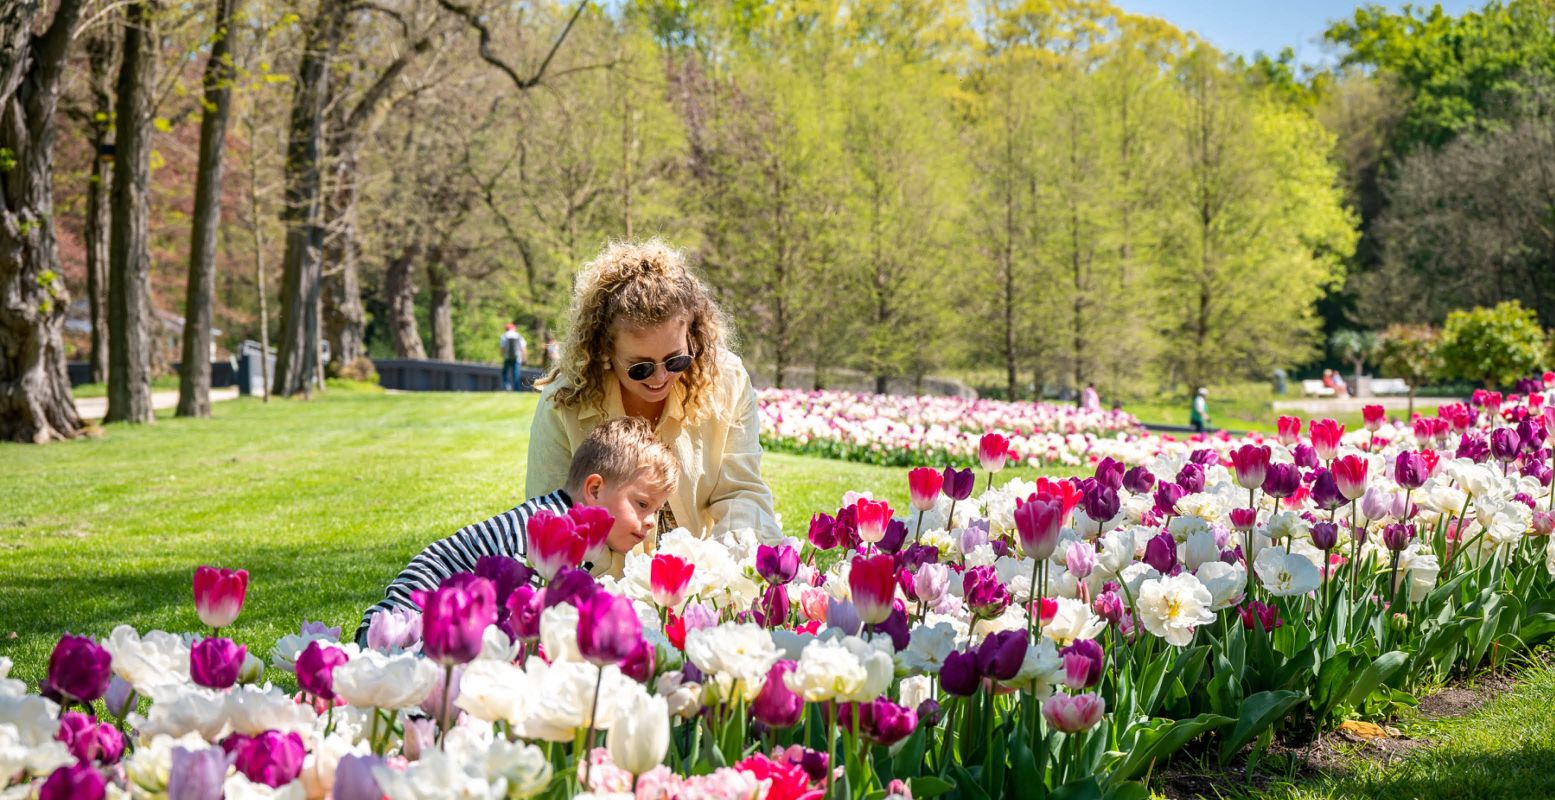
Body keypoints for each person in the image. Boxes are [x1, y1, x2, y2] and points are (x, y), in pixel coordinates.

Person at [528, 239, 781, 543]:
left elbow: (742, 493)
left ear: (693, 337)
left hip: (701, 572)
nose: (660, 377)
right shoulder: (563, 402)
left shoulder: (727, 379)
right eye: (641, 367)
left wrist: (727, 570)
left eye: (676, 360)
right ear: (605, 350)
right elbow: (552, 521)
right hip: (602, 578)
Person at [356, 416, 677, 643]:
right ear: (594, 490)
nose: (650, 521)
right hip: (405, 622)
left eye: (657, 511)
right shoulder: (544, 527)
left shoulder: (567, 528)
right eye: (642, 504)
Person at [500, 323, 527, 391]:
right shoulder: (518, 335)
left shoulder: (504, 336)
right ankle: (517, 389)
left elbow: (502, 348)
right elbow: (523, 348)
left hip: (507, 357)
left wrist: (503, 355)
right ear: (514, 328)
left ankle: (507, 386)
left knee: (504, 373)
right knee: (516, 375)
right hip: (517, 358)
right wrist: (524, 358)